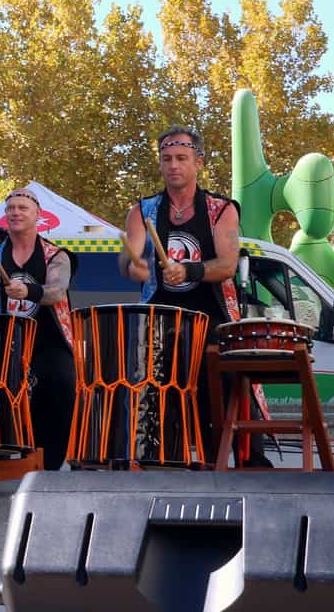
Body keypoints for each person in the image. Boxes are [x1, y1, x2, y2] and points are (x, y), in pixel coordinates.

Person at [119, 125, 270, 467]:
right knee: (154, 381)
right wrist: (135, 269)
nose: (173, 165)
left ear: (198, 162)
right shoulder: (143, 210)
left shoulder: (221, 209)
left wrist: (188, 271)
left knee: (227, 376)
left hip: (212, 315)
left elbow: (227, 265)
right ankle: (161, 458)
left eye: (182, 158)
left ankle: (251, 461)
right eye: (167, 158)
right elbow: (129, 260)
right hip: (159, 318)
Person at [0, 189, 76, 470]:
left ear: (38, 215)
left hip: (49, 338)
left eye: (22, 208)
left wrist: (27, 290)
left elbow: (55, 292)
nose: (15, 212)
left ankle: (49, 460)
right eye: (11, 208)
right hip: (7, 338)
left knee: (61, 384)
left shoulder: (56, 256)